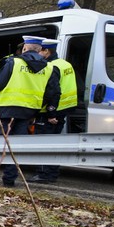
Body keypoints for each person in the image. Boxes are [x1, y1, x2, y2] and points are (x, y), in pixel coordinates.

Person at [0, 35, 60, 187]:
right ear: (40, 50)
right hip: (28, 112)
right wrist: (46, 109)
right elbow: (53, 92)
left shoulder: (13, 62)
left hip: (7, 109)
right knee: (16, 147)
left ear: (25, 48)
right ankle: (9, 179)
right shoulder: (50, 68)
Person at [28, 38, 78, 183]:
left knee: (43, 144)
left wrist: (50, 113)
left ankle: (43, 174)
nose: (39, 53)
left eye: (41, 51)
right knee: (55, 145)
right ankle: (52, 174)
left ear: (47, 51)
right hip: (62, 110)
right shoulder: (65, 64)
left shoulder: (51, 66)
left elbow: (52, 92)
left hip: (51, 113)